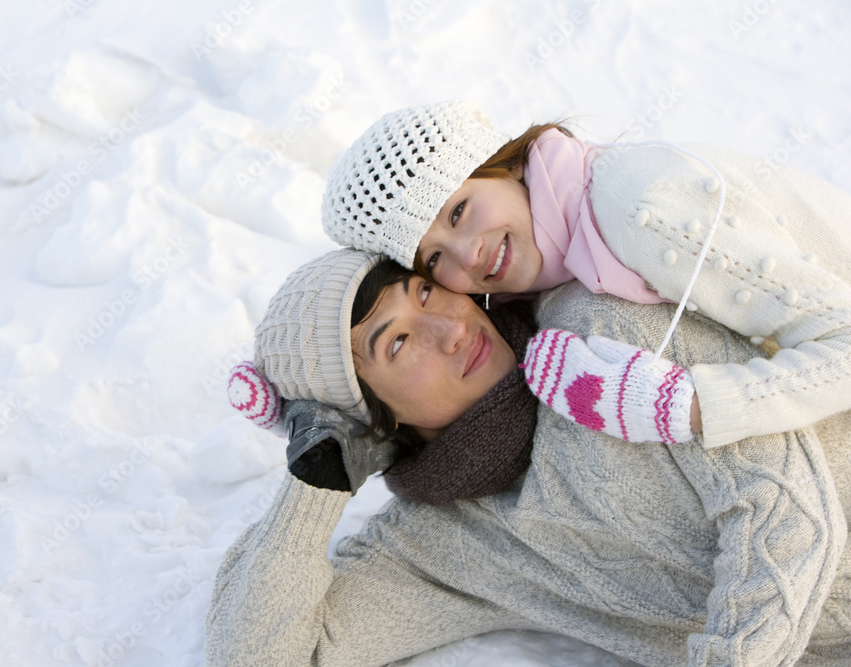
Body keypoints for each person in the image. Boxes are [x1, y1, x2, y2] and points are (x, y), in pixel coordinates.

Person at [206, 248, 851, 666]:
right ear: (371, 418)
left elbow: (789, 517)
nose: (451, 327)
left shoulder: (603, 328)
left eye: (425, 293)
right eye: (399, 343)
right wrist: (315, 476)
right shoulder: (446, 545)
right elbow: (258, 657)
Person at [320, 100, 851, 449]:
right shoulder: (553, 256)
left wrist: (688, 408)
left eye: (458, 211)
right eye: (433, 261)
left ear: (500, 165)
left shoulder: (639, 213)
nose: (468, 256)